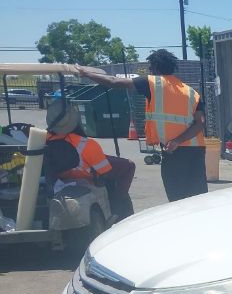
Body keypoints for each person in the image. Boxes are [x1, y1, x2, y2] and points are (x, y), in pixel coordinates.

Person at [76, 49, 207, 202]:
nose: (150, 72)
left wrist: (85, 73)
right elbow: (200, 123)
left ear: (156, 68)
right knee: (198, 199)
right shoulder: (191, 92)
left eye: (150, 68)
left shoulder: (152, 83)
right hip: (196, 151)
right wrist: (179, 140)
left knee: (177, 200)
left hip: (175, 153)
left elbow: (114, 82)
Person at [45, 101, 136, 220]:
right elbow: (105, 172)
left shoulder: (42, 139)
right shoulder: (86, 144)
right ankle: (118, 204)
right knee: (129, 166)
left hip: (58, 179)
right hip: (85, 177)